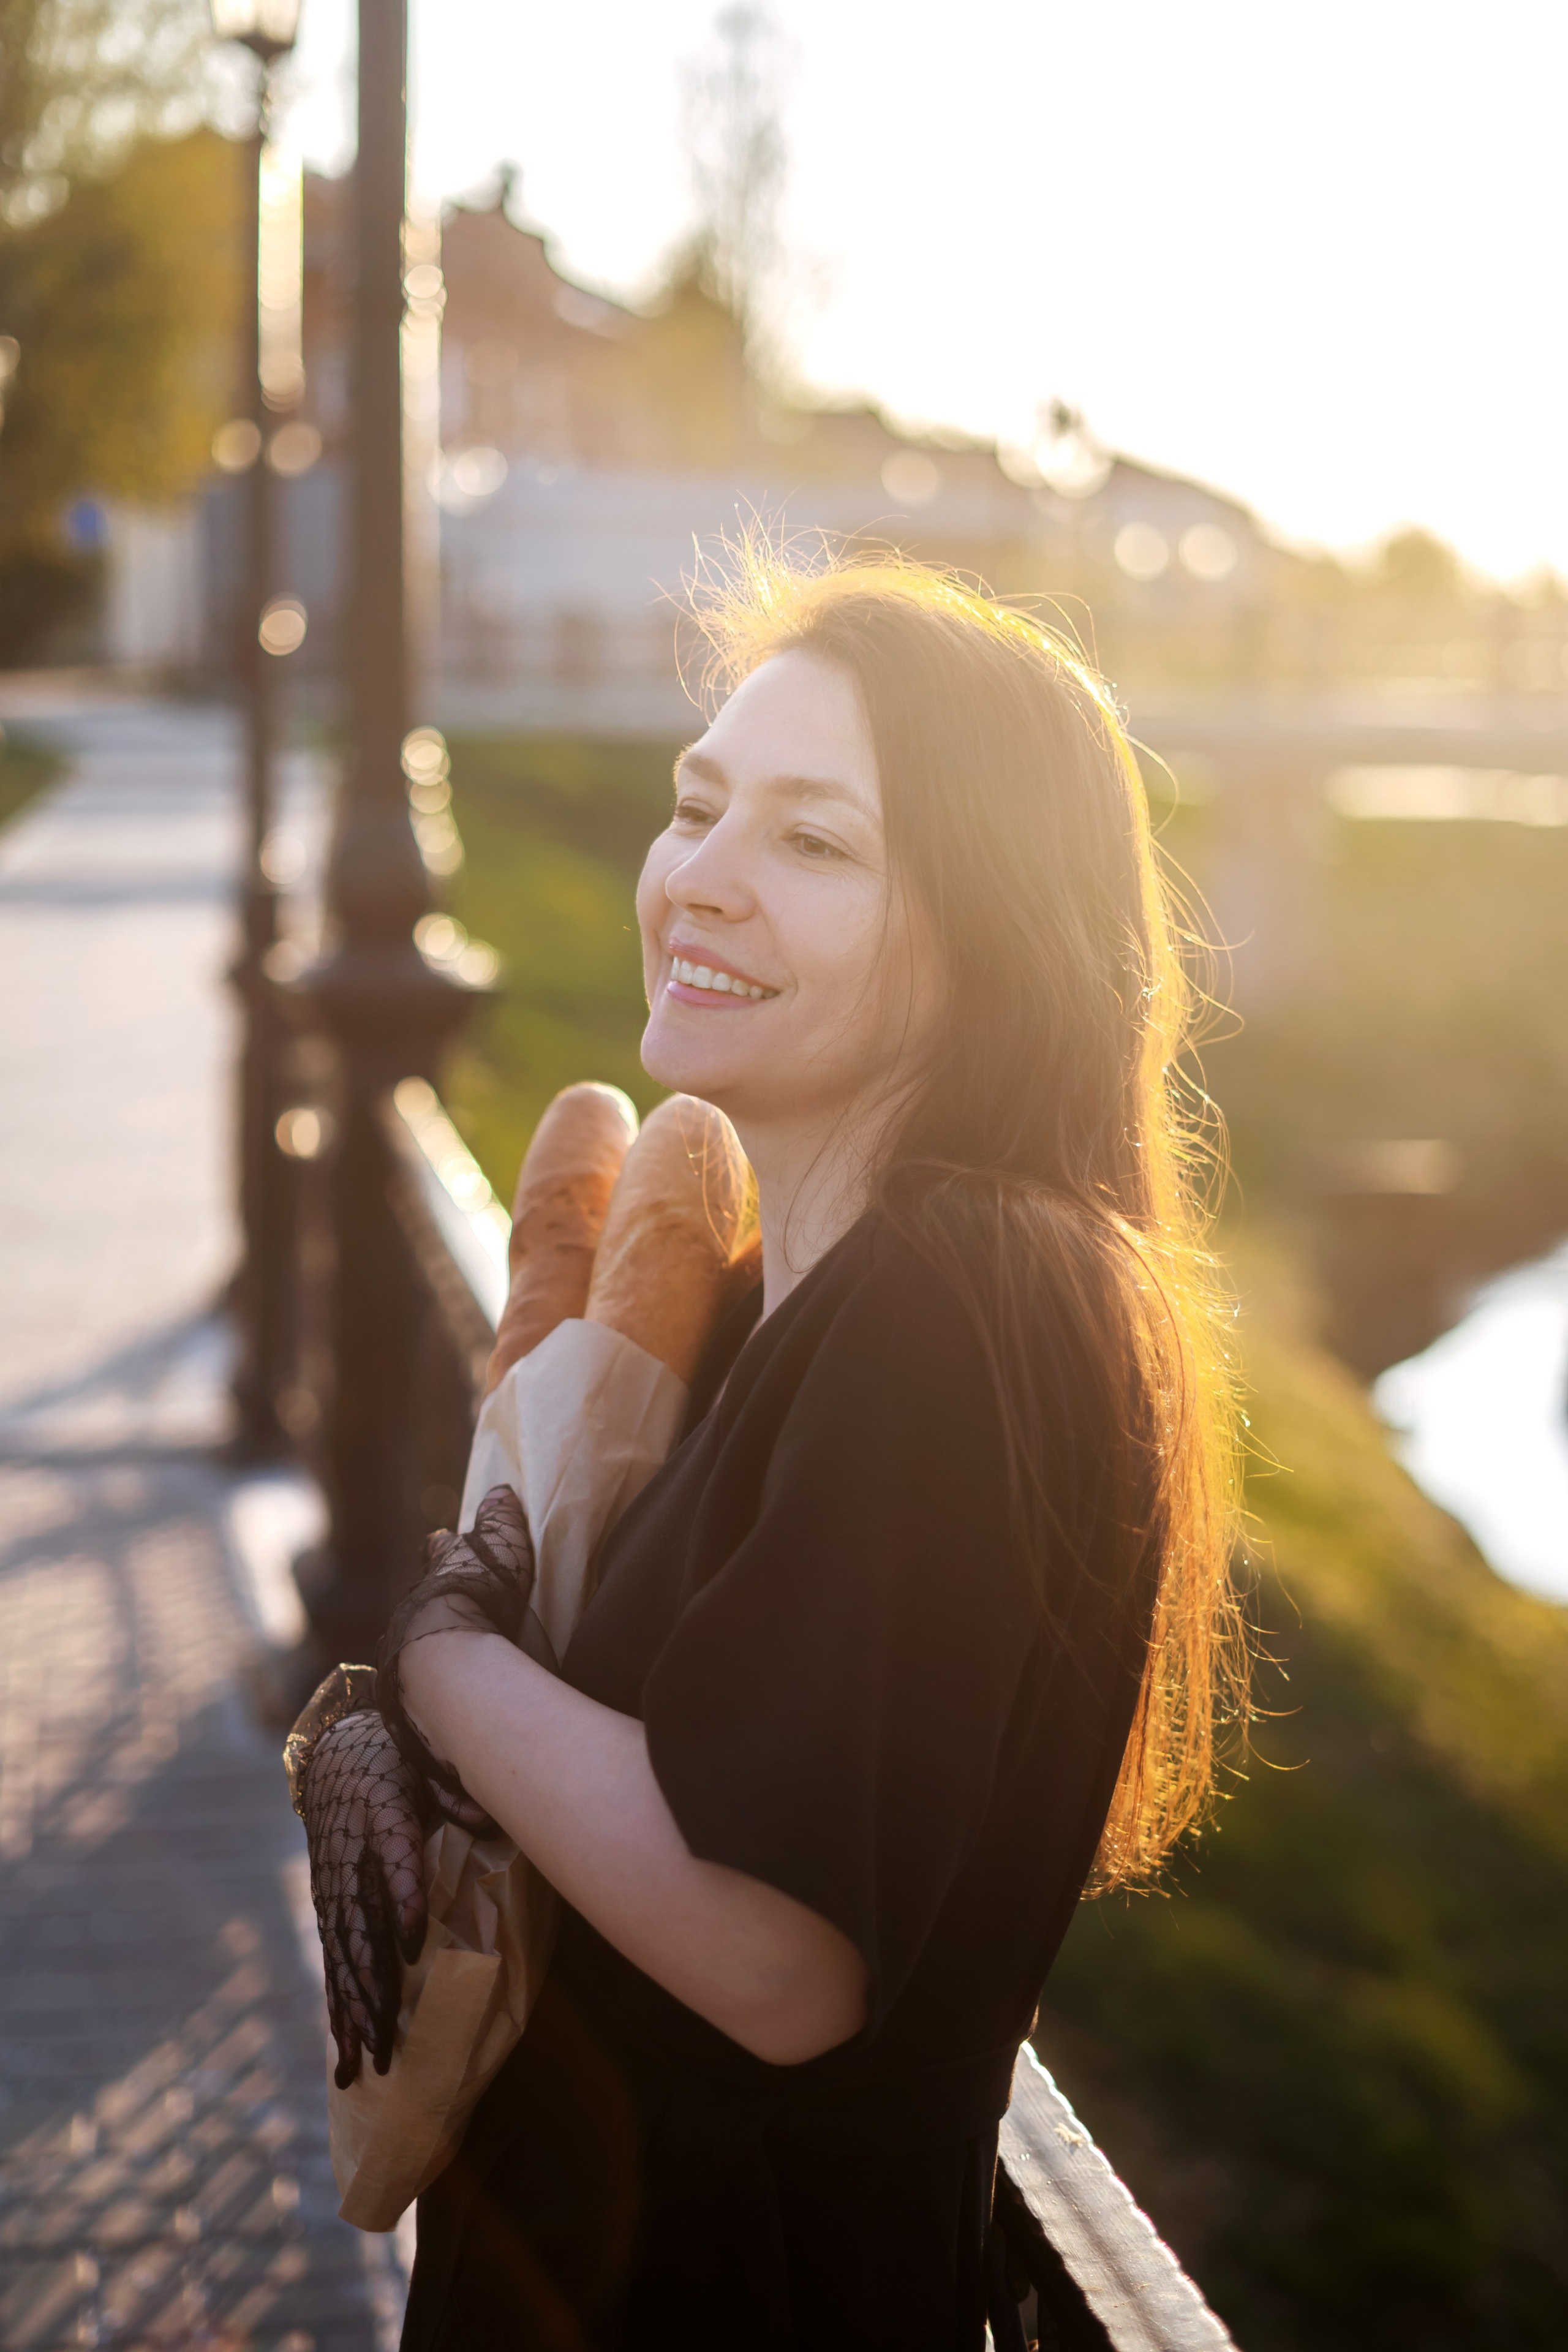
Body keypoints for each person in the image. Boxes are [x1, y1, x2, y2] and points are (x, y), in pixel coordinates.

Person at [302, 552, 1245, 2351]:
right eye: (698, 804)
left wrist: (437, 1655)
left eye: (812, 843)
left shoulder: (959, 1304)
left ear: (992, 929)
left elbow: (772, 1952)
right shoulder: (783, 1294)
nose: (698, 881)